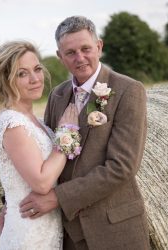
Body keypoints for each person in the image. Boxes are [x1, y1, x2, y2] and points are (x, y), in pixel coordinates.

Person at [17, 16, 150, 249]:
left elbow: (122, 167)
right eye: (70, 53)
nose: (80, 58)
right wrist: (11, 201)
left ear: (99, 46)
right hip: (68, 233)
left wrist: (58, 198)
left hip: (115, 230)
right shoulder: (56, 96)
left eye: (86, 49)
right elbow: (43, 153)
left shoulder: (128, 90)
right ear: (60, 57)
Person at [0, 40, 81, 249]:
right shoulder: (13, 124)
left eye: (37, 69)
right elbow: (41, 183)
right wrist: (67, 133)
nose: (35, 79)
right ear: (5, 80)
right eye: (22, 74)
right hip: (28, 235)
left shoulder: (33, 120)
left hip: (44, 228)